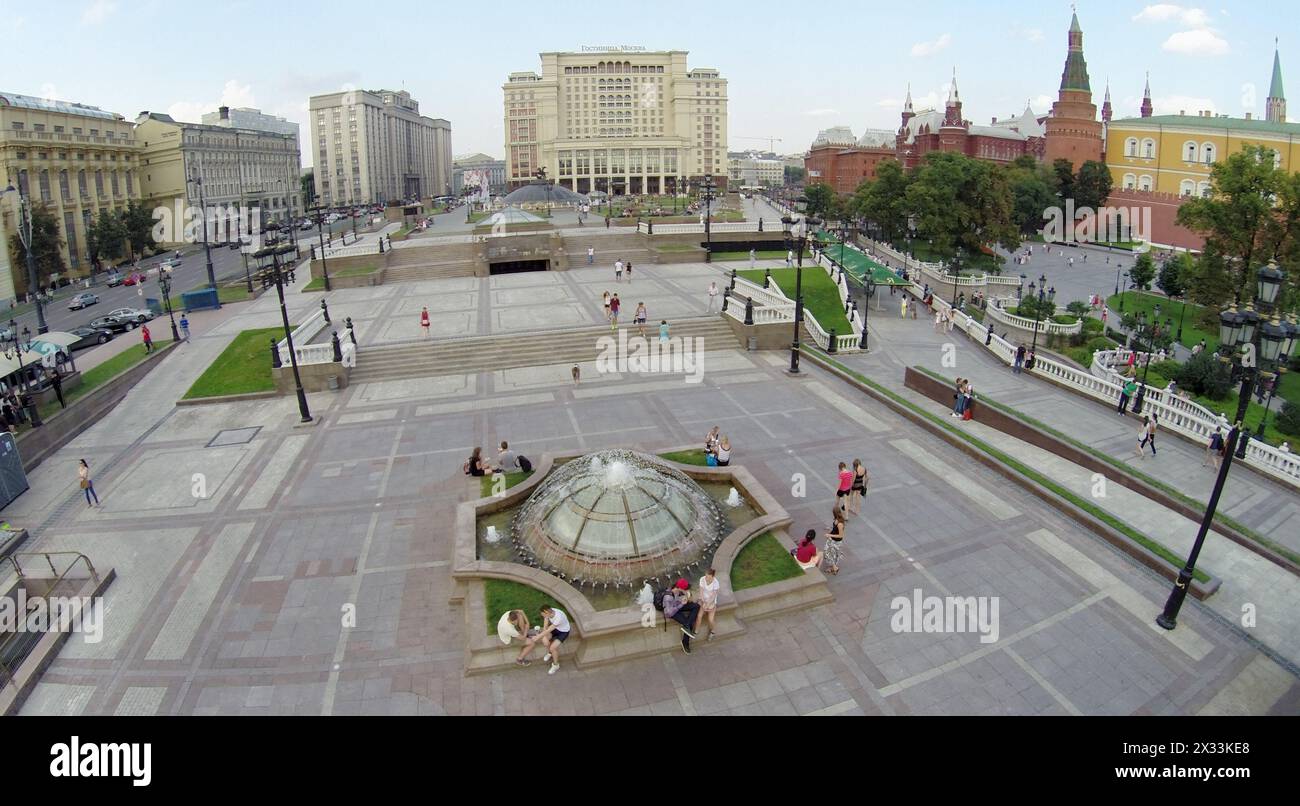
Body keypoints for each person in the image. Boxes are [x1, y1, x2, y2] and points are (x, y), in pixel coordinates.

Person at [515, 605, 571, 674]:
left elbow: (549, 629)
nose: (542, 616)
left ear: (547, 612)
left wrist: (537, 637)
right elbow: (546, 619)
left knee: (553, 648)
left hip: (563, 632)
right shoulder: (550, 611)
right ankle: (550, 653)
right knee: (545, 641)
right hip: (556, 628)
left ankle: (556, 665)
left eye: (543, 614)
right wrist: (544, 629)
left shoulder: (559, 617)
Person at [663, 579, 701, 653]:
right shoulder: (668, 597)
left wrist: (687, 595)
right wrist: (681, 604)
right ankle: (685, 643)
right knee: (688, 623)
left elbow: (690, 600)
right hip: (672, 612)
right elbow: (668, 613)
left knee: (696, 606)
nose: (686, 590)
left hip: (678, 605)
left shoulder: (678, 590)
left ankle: (687, 626)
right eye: (685, 589)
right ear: (680, 588)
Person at [697, 569, 720, 640]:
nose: (706, 578)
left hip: (711, 602)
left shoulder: (716, 583)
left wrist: (708, 604)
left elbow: (713, 596)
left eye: (708, 577)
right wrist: (703, 602)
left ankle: (712, 631)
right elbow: (701, 591)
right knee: (699, 616)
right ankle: (696, 631)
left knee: (710, 620)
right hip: (704, 600)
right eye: (706, 576)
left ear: (713, 577)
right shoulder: (702, 579)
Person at [823, 509, 846, 575]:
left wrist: (829, 535)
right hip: (831, 539)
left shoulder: (840, 524)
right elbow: (834, 529)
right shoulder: (836, 519)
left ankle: (834, 568)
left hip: (836, 542)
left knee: (829, 553)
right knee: (829, 553)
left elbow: (841, 535)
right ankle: (833, 567)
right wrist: (829, 532)